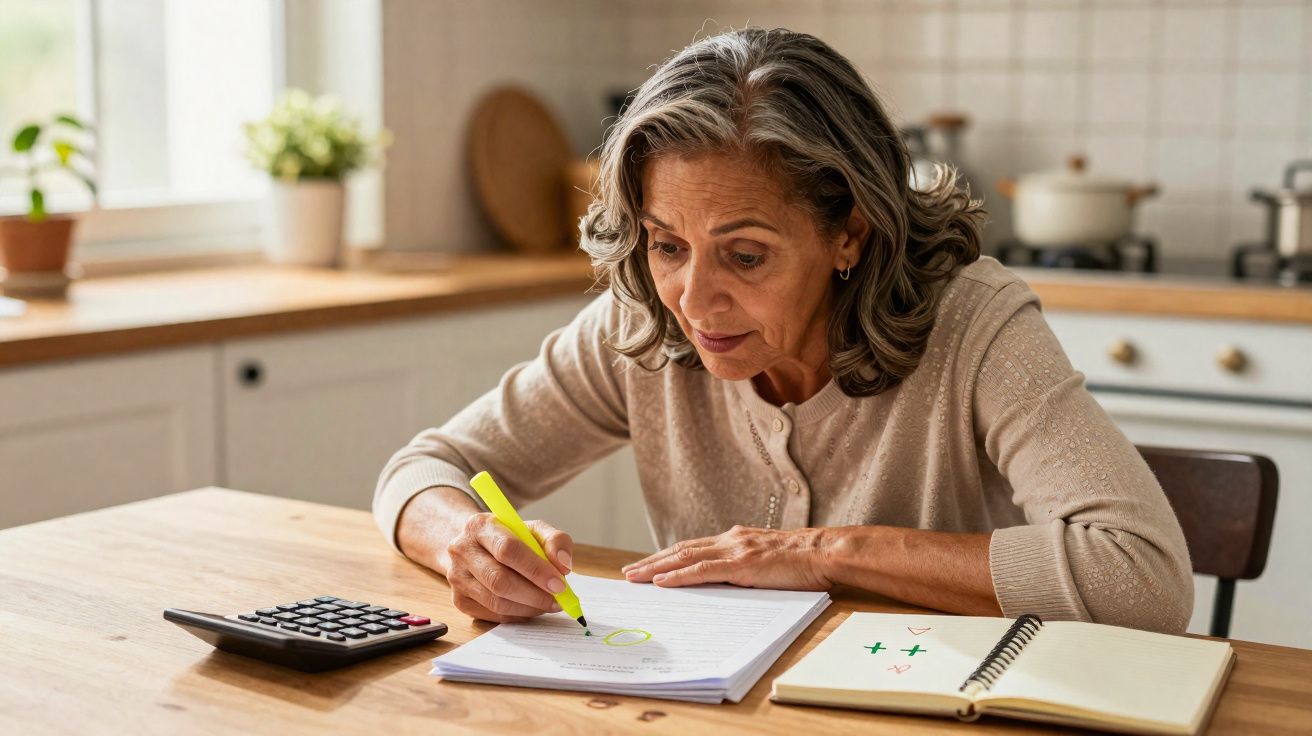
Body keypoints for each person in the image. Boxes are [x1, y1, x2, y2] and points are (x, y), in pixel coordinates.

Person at [374, 28, 1193, 634]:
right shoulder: (644, 324)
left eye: (746, 255)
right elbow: (424, 469)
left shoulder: (974, 323)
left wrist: (823, 553)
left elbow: (1143, 577)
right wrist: (464, 541)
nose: (695, 300)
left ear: (851, 233)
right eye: (667, 245)